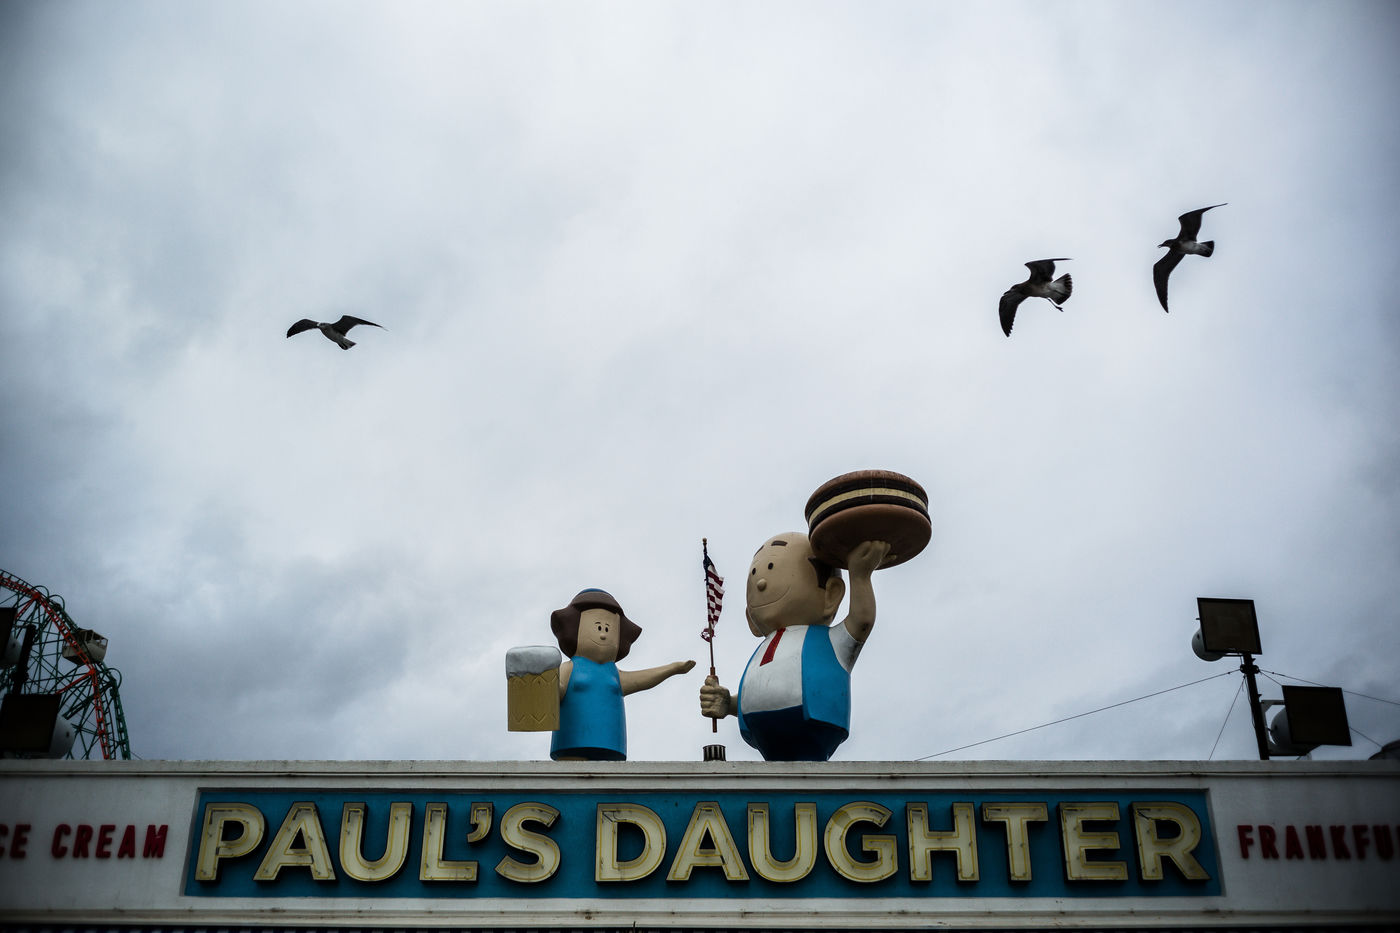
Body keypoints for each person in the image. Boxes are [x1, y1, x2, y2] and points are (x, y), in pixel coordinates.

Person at [698, 533, 889, 761]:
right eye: (756, 574)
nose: (761, 583)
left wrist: (860, 576)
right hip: (764, 741)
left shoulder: (829, 641)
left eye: (771, 568)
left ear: (831, 594)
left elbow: (862, 620)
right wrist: (729, 703)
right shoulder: (765, 648)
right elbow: (764, 689)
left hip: (815, 727)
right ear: (750, 618)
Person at [550, 588, 695, 761]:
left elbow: (642, 679)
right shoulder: (569, 667)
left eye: (607, 629)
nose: (603, 634)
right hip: (570, 744)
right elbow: (554, 689)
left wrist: (672, 668)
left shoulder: (613, 673)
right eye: (598, 627)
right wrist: (545, 682)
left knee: (609, 776)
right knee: (570, 775)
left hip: (611, 745)